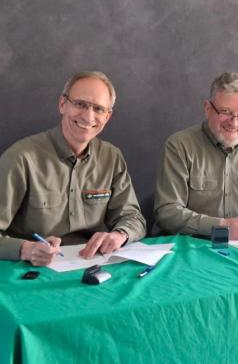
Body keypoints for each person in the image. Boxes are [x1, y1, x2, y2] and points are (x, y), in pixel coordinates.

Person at [0, 71, 147, 266]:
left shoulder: (112, 157)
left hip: (93, 263)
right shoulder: (21, 158)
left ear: (107, 116)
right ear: (62, 104)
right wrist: (25, 249)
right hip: (31, 270)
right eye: (80, 104)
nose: (88, 116)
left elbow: (133, 218)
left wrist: (119, 235)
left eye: (98, 109)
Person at [153, 72, 238, 240]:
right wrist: (222, 226)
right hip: (194, 245)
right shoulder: (179, 146)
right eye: (225, 111)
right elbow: (167, 212)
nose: (234, 122)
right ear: (207, 109)